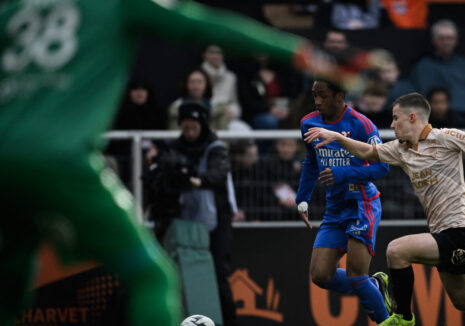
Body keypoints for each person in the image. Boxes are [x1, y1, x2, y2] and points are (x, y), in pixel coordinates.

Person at [0, 0, 393, 325]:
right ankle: (373, 290)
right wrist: (307, 55)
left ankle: (384, 310)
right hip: (61, 159)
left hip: (7, 158)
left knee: (14, 275)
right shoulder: (113, 5)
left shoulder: (15, 10)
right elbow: (202, 23)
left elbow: (381, 164)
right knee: (150, 277)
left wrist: (338, 172)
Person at [304, 92, 465, 326]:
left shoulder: (446, 137)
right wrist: (337, 136)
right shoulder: (400, 149)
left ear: (412, 117)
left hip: (458, 231)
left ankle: (403, 318)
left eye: (395, 118)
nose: (391, 124)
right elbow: (366, 151)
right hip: (444, 234)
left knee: (396, 251)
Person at [296, 78, 392, 323]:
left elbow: (383, 169)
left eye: (323, 95)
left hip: (362, 204)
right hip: (335, 208)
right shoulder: (308, 123)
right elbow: (311, 161)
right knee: (320, 275)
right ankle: (375, 286)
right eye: (314, 95)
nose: (317, 101)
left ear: (340, 96)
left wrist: (343, 173)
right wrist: (302, 197)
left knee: (356, 275)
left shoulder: (362, 124)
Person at [145, 102, 238, 325]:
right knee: (177, 277)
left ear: (202, 126)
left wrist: (196, 180)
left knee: (218, 276)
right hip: (183, 225)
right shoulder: (173, 148)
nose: (189, 133)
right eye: (185, 127)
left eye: (193, 128)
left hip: (216, 222)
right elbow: (159, 179)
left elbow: (218, 173)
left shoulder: (216, 147)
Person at [408, 19, 465, 125]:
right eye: (442, 38)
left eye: (450, 38)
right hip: (437, 123)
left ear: (456, 40)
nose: (446, 42)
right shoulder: (423, 67)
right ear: (434, 40)